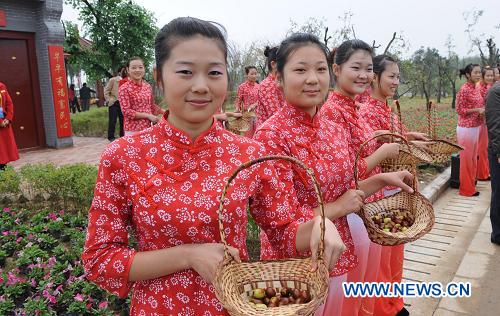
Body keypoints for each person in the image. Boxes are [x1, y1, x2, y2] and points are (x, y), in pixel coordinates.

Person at [82, 17, 348, 315]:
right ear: (159, 78)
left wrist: (319, 226)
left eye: (213, 73)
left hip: (233, 306)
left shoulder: (250, 154)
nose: (201, 86)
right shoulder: (124, 155)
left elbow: (283, 230)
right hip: (158, 307)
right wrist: (188, 255)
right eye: (185, 72)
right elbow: (100, 258)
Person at [253, 34, 414, 316]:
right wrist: (338, 208)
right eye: (300, 70)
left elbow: (346, 187)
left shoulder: (331, 127)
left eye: (320, 69)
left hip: (340, 253)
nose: (313, 79)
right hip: (298, 268)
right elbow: (281, 230)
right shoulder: (271, 136)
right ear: (279, 77)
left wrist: (382, 180)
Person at [320, 39, 405, 316]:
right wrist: (382, 153)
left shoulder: (354, 107)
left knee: (366, 285)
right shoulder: (332, 111)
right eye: (355, 67)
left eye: (368, 68)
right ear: (336, 69)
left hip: (368, 202)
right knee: (354, 288)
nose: (363, 75)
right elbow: (346, 173)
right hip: (351, 209)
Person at [358, 54, 431, 316]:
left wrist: (409, 138)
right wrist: (405, 143)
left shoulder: (385, 107)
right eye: (391, 76)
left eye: (398, 77)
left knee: (394, 254)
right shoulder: (366, 110)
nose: (396, 81)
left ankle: (393, 303)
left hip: (395, 186)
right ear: (375, 78)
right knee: (382, 258)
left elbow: (393, 141)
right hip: (380, 190)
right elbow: (378, 148)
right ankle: (383, 307)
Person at [456, 64, 484, 196]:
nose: (478, 75)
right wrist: (477, 110)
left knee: (473, 159)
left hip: (475, 126)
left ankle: (471, 185)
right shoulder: (464, 89)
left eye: (480, 72)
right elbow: (460, 110)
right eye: (476, 73)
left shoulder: (476, 87)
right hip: (466, 129)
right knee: (466, 160)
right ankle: (466, 190)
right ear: (468, 74)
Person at [119, 57, 165, 135]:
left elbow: (151, 106)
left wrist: (166, 112)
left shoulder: (147, 86)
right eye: (134, 68)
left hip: (148, 128)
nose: (137, 70)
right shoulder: (124, 88)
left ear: (144, 69)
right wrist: (148, 116)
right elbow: (126, 112)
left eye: (140, 67)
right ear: (128, 70)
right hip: (133, 130)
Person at [255, 46, 285, 127]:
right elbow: (274, 114)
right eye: (284, 62)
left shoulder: (280, 81)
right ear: (274, 64)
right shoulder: (267, 85)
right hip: (270, 132)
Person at [486, 80, 500, 245]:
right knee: (499, 192)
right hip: (498, 150)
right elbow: (495, 125)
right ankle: (497, 233)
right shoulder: (495, 92)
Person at [477, 66, 495, 181]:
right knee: (482, 148)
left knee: (486, 148)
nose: (490, 77)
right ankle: (482, 174)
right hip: (481, 122)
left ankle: (486, 171)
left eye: (492, 75)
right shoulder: (480, 88)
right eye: (488, 75)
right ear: (483, 76)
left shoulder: (490, 86)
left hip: (488, 121)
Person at [0, 82, 19, 170]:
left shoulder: (1, 86)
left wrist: (8, 118)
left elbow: (9, 103)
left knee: (4, 153)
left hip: (4, 124)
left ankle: (4, 175)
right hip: (1, 122)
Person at [104, 67, 125, 141]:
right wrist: (109, 100)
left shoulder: (128, 81)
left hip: (123, 104)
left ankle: (122, 136)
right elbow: (106, 90)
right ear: (119, 72)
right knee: (112, 121)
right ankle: (111, 137)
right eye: (123, 71)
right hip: (114, 103)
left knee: (123, 121)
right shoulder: (113, 80)